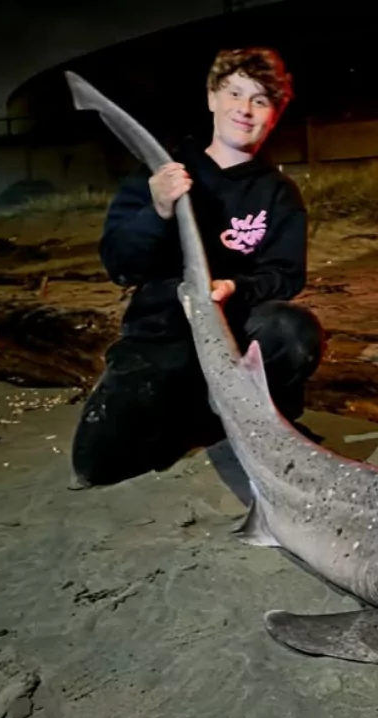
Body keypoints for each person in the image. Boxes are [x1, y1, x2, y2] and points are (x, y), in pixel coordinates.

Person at [71, 47, 324, 488]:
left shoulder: (277, 193)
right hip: (164, 331)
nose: (245, 109)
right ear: (211, 97)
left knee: (293, 329)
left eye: (260, 100)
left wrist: (235, 287)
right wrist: (157, 210)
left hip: (239, 330)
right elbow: (120, 265)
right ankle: (200, 416)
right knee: (97, 463)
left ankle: (254, 423)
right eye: (234, 93)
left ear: (274, 115)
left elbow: (286, 274)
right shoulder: (160, 175)